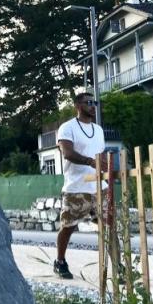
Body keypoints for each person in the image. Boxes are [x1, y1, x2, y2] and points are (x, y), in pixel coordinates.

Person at [53, 92, 107, 279]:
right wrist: (89, 161)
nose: (93, 106)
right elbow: (67, 153)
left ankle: (117, 265)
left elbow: (100, 154)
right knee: (68, 226)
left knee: (110, 227)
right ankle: (60, 261)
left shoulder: (98, 130)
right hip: (77, 187)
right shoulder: (67, 128)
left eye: (95, 102)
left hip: (100, 187)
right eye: (88, 102)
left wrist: (104, 165)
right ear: (77, 105)